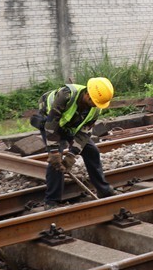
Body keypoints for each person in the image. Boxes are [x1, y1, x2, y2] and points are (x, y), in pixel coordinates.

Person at [31, 77, 117, 206]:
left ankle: (103, 190)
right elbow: (51, 124)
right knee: (56, 160)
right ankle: (52, 201)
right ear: (87, 94)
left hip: (70, 126)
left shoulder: (96, 107)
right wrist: (54, 152)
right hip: (49, 122)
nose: (96, 105)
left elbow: (84, 133)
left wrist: (72, 154)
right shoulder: (65, 95)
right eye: (94, 102)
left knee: (92, 151)